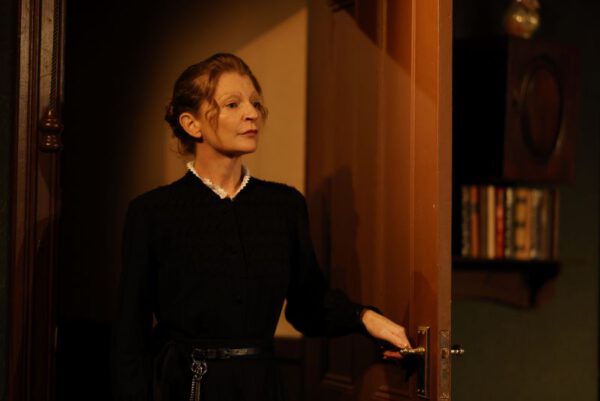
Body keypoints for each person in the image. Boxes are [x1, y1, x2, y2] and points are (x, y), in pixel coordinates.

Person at [111, 53, 411, 401]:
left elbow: (308, 305)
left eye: (255, 103)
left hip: (261, 387)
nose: (252, 113)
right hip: (186, 388)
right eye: (233, 104)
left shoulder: (283, 205)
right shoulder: (152, 212)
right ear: (192, 124)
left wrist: (365, 318)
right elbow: (129, 332)